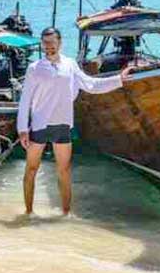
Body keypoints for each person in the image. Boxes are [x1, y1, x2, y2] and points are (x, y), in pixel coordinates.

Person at [16, 28, 133, 216]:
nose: (49, 46)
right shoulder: (34, 68)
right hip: (39, 124)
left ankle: (65, 214)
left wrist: (118, 79)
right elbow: (25, 100)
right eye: (45, 43)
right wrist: (22, 128)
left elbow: (91, 84)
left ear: (60, 42)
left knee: (64, 171)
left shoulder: (70, 65)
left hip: (63, 124)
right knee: (31, 169)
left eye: (52, 42)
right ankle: (28, 213)